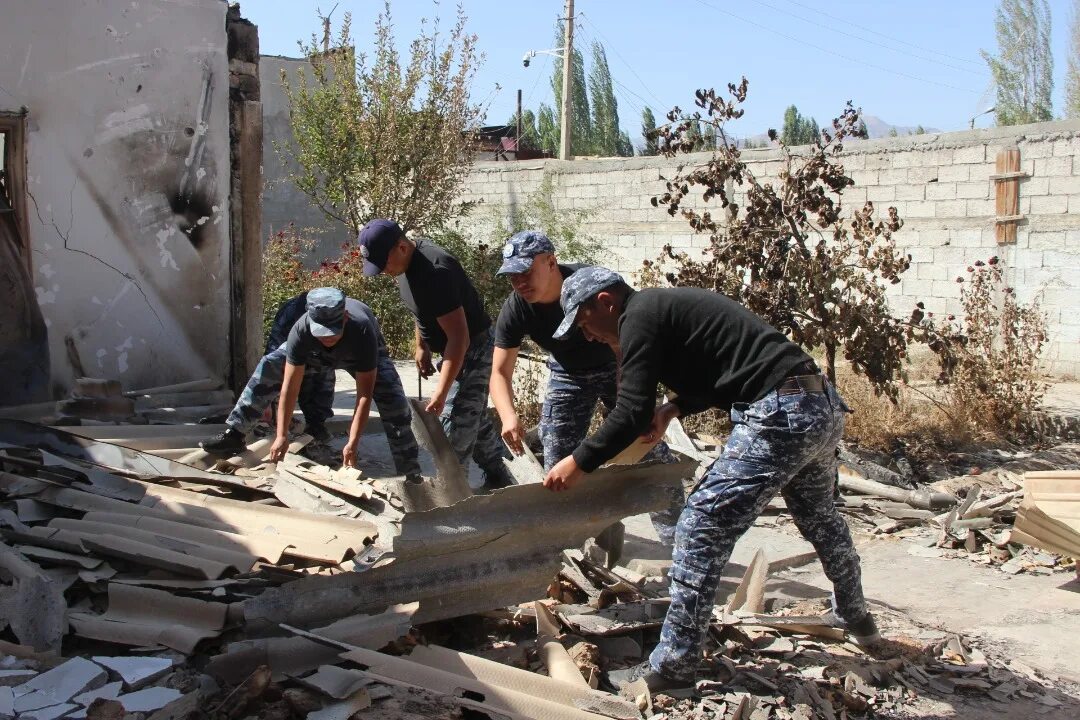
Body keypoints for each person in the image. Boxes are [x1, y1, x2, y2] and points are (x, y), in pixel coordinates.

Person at [542, 268, 878, 693]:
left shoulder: (638, 316)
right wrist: (673, 409)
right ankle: (856, 617)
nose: (587, 336)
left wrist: (578, 462)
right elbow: (722, 372)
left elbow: (629, 410)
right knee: (820, 517)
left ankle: (674, 667)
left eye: (585, 322)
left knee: (700, 525)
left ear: (606, 302)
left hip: (780, 413)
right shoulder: (659, 309)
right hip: (817, 404)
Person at [489, 230, 682, 542]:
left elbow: (628, 336)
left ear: (551, 261)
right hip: (568, 375)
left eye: (525, 272)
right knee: (558, 463)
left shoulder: (591, 284)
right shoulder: (518, 307)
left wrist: (632, 404)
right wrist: (508, 416)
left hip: (617, 364)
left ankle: (677, 540)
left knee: (646, 446)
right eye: (512, 277)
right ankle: (576, 542)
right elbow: (499, 372)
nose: (519, 283)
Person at [200, 288, 422, 478]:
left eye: (332, 332)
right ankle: (235, 433)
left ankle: (410, 468)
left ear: (344, 317)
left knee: (393, 398)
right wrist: (281, 436)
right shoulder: (301, 330)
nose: (327, 337)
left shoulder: (361, 329)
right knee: (271, 365)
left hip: (357, 349)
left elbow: (364, 395)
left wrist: (353, 443)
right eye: (321, 332)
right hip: (311, 349)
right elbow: (289, 386)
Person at [357, 219, 513, 489]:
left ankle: (457, 501)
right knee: (470, 414)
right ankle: (500, 473)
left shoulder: (436, 271)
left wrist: (440, 393)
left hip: (475, 349)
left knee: (452, 432)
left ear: (402, 247)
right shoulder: (404, 266)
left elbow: (459, 338)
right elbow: (422, 311)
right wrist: (422, 345)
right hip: (456, 349)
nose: (383, 271)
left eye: (384, 263)